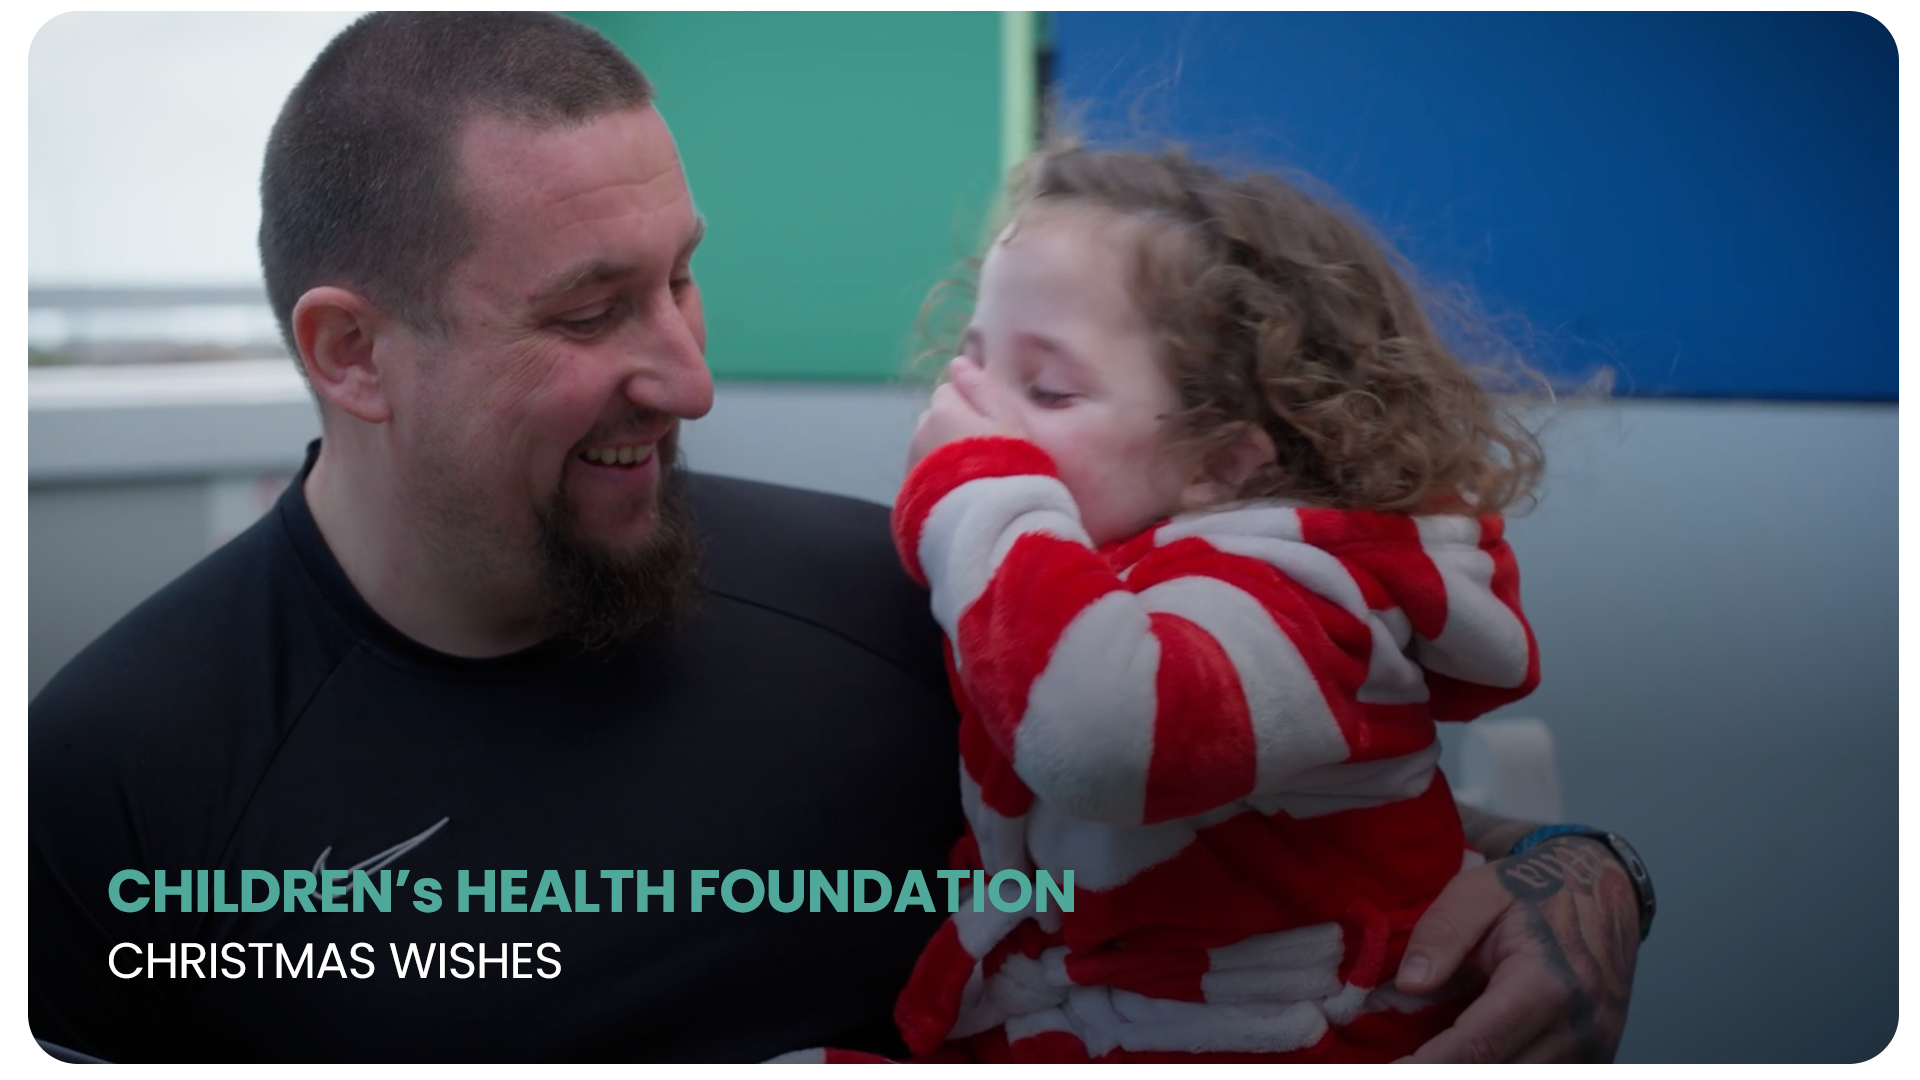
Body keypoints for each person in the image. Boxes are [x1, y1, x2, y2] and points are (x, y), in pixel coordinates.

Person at [27, 10, 1644, 1067]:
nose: (691, 377)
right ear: (351, 352)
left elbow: (1339, 825)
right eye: (593, 311)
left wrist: (1598, 879)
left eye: (682, 276)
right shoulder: (130, 768)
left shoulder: (911, 608)